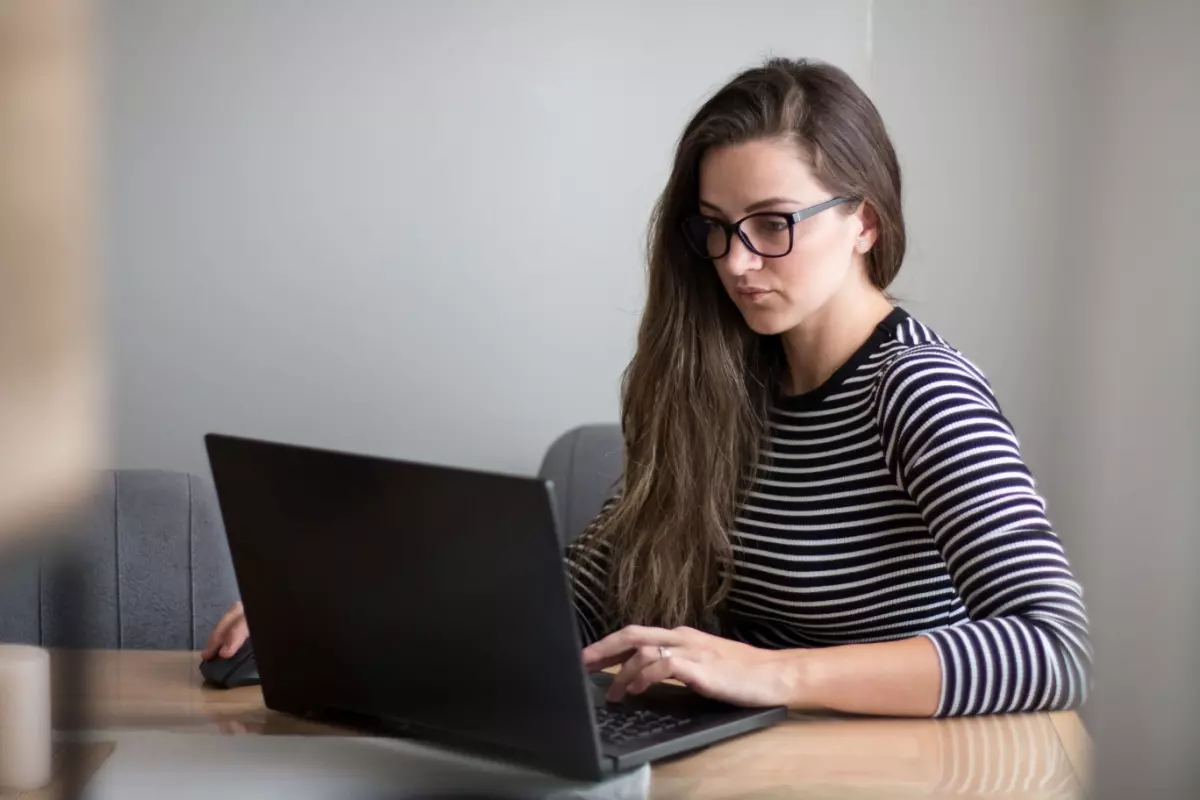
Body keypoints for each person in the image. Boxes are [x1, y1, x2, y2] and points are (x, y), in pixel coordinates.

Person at [205, 57, 1091, 719]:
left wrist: (767, 669)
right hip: (753, 755)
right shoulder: (726, 378)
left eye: (774, 225)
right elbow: (591, 584)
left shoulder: (920, 391)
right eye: (716, 229)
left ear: (863, 219)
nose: (737, 263)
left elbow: (1053, 647)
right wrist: (357, 614)